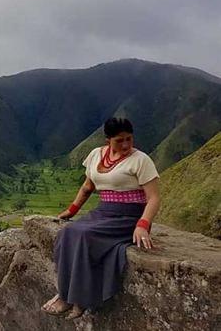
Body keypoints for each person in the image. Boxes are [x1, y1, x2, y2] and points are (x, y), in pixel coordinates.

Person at [41, 117, 160, 320]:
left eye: (129, 139)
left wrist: (142, 225)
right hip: (104, 212)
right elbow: (88, 187)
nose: (125, 145)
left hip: (129, 217)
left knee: (84, 234)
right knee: (67, 233)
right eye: (119, 140)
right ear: (108, 140)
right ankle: (65, 294)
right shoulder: (96, 154)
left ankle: (79, 299)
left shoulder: (141, 160)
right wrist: (71, 210)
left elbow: (154, 198)